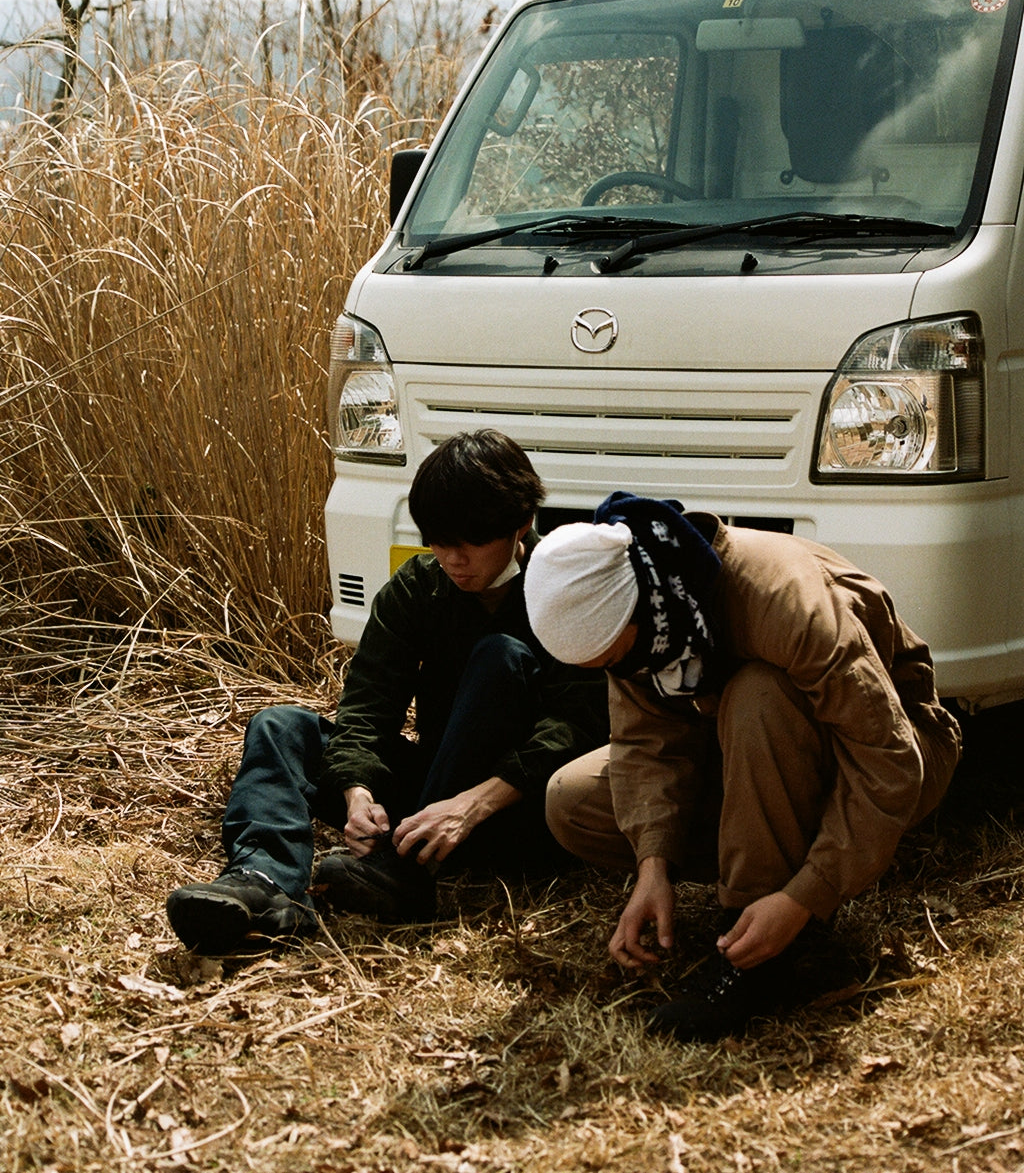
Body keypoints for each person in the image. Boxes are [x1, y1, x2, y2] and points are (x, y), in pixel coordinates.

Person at [523, 491, 962, 1042]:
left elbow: (889, 759)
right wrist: (653, 866)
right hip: (749, 755)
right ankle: (762, 865)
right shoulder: (647, 613)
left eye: (612, 659)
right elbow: (645, 742)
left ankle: (755, 950)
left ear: (644, 608)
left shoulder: (782, 599)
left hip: (889, 750)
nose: (619, 671)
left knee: (757, 695)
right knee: (573, 800)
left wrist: (807, 895)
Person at [166, 430, 609, 955]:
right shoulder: (416, 587)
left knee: (502, 656)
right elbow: (367, 706)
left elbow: (576, 726)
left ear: (521, 525)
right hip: (429, 797)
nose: (451, 558)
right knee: (282, 726)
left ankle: (402, 870)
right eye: (437, 541)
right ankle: (264, 882)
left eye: (469, 542)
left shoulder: (562, 589)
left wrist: (468, 806)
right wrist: (359, 793)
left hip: (520, 811)